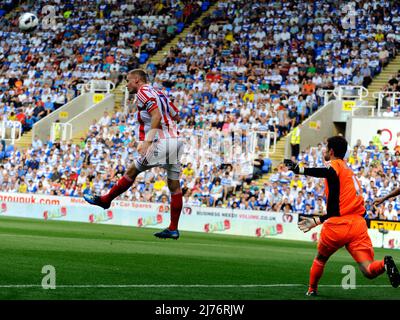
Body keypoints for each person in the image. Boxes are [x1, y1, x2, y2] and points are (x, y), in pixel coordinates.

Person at [284, 136, 400, 296]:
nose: (324, 150)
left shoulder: (335, 165)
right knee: (368, 270)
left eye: (326, 148)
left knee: (320, 259)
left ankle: (312, 289)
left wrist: (300, 170)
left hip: (338, 225)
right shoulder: (350, 173)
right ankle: (385, 264)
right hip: (358, 224)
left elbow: (329, 174)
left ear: (331, 151)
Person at [84, 69, 183, 240]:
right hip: (176, 141)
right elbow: (177, 116)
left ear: (137, 80)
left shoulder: (143, 92)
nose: (127, 84)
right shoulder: (160, 93)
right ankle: (173, 228)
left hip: (162, 142)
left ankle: (106, 200)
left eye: (129, 81)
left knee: (132, 170)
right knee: (174, 186)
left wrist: (148, 141)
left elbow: (157, 115)